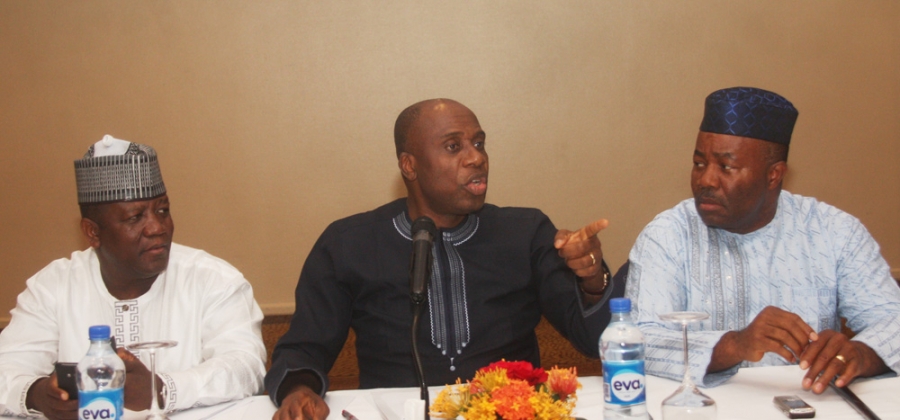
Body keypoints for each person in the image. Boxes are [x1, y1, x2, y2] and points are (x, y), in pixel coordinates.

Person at [266, 99, 624, 420]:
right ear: (409, 165)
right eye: (454, 147)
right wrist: (299, 391)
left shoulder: (526, 232)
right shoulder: (349, 243)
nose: (476, 157)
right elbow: (303, 347)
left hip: (511, 412)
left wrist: (592, 279)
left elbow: (593, 340)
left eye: (479, 143)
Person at [626, 87, 900, 395]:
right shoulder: (668, 235)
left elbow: (894, 321)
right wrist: (735, 345)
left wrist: (861, 354)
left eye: (726, 167)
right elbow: (638, 342)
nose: (705, 180)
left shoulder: (833, 232)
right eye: (699, 163)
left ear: (774, 175)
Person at [0, 136, 266, 419]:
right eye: (135, 217)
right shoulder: (53, 287)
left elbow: (245, 367)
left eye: (162, 210)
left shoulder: (213, 279)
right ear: (92, 232)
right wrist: (36, 394)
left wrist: (161, 389)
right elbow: (6, 368)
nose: (157, 227)